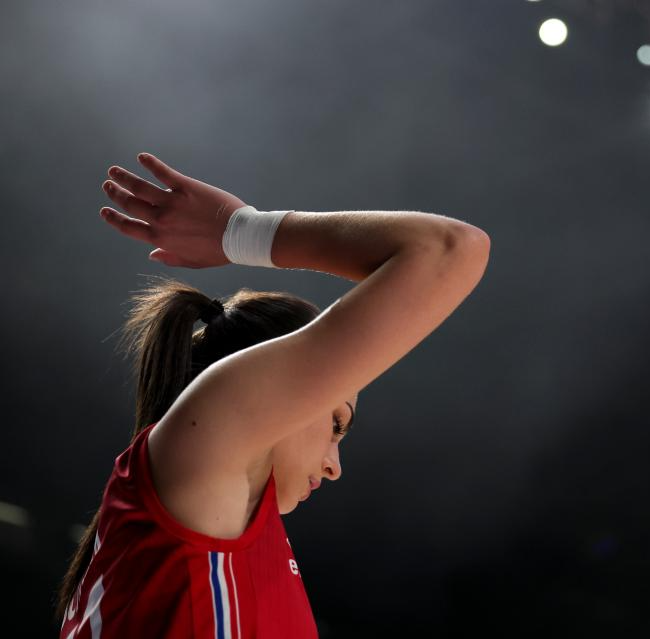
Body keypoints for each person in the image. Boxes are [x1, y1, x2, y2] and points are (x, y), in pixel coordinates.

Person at [55, 152, 490, 638]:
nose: (334, 466)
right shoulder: (203, 450)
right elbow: (447, 249)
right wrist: (242, 231)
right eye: (335, 423)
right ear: (255, 381)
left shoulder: (220, 521)